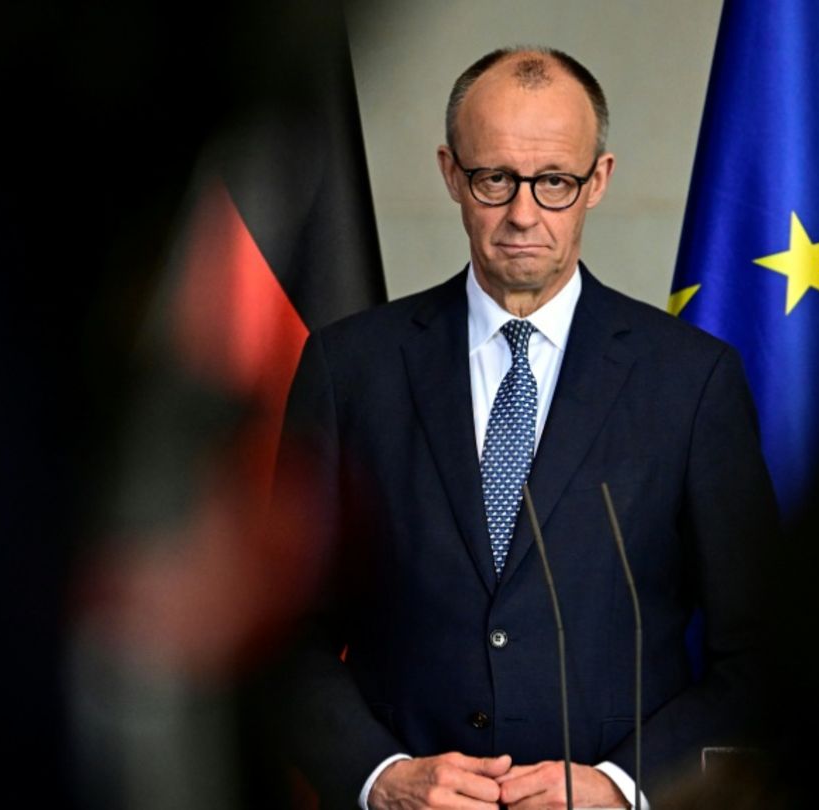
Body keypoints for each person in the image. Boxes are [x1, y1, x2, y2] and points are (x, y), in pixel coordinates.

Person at [274, 46, 779, 809]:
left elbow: (761, 652)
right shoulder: (350, 370)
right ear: (451, 173)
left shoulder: (693, 381)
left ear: (597, 180)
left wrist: (624, 786)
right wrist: (382, 778)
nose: (522, 213)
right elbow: (283, 638)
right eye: (495, 179)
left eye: (554, 182)